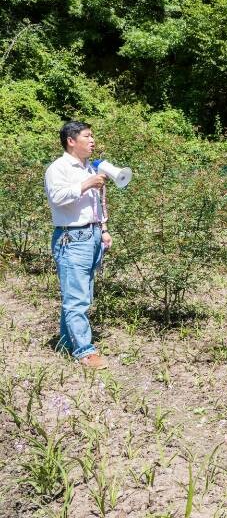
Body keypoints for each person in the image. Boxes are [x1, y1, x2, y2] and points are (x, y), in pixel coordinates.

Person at [44, 121, 113, 370]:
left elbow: (96, 204)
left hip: (92, 235)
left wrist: (103, 229)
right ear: (71, 141)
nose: (92, 140)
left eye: (92, 136)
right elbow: (57, 198)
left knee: (80, 294)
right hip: (71, 238)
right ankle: (85, 351)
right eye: (87, 136)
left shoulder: (89, 168)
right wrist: (87, 184)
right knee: (77, 299)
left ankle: (66, 343)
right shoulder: (58, 168)